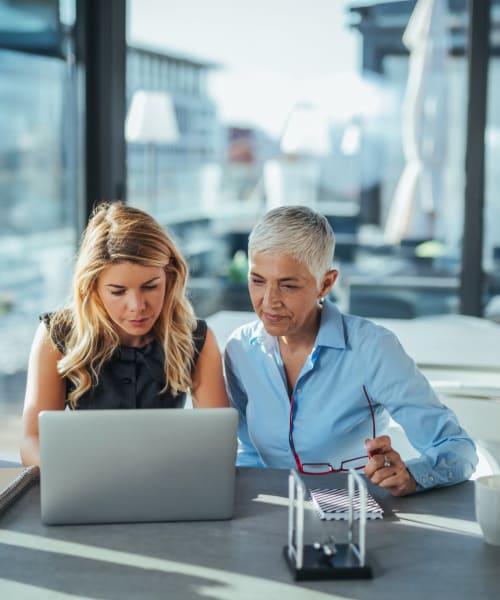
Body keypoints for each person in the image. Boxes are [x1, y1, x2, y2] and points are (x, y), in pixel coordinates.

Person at [224, 205, 478, 496]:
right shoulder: (240, 350)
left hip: (359, 520)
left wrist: (412, 475)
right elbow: (249, 450)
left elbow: (459, 450)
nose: (269, 301)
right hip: (273, 518)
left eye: (288, 285)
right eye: (257, 281)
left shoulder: (372, 348)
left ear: (326, 283)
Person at [21, 202, 228, 467]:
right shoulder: (57, 335)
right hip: (84, 487)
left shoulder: (195, 338)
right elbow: (31, 440)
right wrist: (69, 476)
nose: (137, 306)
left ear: (170, 276)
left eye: (151, 287)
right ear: (92, 287)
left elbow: (217, 444)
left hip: (167, 485)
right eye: (118, 292)